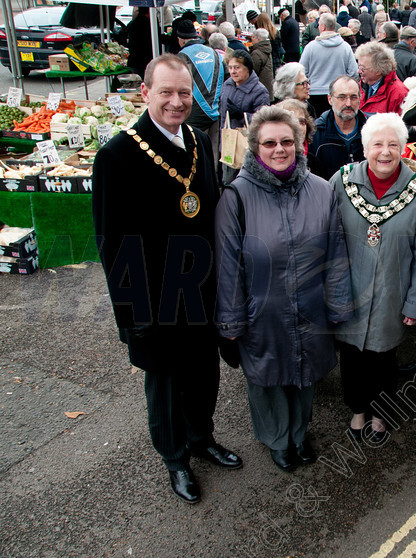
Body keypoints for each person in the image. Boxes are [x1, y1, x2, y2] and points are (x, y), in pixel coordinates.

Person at [92, 54, 242, 505]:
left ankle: (202, 438)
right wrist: (134, 314)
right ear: (145, 93)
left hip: (201, 288)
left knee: (204, 374)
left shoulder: (197, 138)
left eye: (184, 93)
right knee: (165, 383)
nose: (177, 102)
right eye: (167, 93)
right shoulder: (117, 154)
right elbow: (112, 243)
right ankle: (175, 459)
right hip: (156, 298)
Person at [215, 105, 352, 472]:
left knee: (305, 375)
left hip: (310, 307)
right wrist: (231, 322)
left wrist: (338, 307)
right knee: (269, 380)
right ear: (255, 147)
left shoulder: (322, 190)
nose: (280, 149)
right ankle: (278, 439)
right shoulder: (236, 196)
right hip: (264, 311)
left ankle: (299, 433)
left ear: (300, 144)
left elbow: (336, 252)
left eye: (287, 141)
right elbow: (228, 265)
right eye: (270, 142)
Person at [330, 113, 416, 444]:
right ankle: (358, 410)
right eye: (378, 144)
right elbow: (325, 237)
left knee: (384, 360)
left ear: (404, 148)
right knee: (351, 358)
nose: (385, 152)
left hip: (393, 293)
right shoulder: (341, 181)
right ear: (365, 147)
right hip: (349, 292)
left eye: (393, 144)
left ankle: (380, 416)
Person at [176, 20, 225, 163]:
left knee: (195, 153)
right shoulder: (215, 54)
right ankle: (214, 182)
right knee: (213, 151)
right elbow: (227, 77)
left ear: (181, 40)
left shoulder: (181, 56)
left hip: (194, 113)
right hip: (215, 110)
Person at [220, 50, 271, 185]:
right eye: (230, 68)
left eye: (237, 68)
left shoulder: (259, 90)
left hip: (247, 145)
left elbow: (264, 120)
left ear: (247, 68)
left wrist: (243, 115)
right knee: (228, 181)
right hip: (229, 142)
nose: (233, 71)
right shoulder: (227, 85)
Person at [310, 75, 367, 180]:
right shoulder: (315, 134)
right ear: (330, 99)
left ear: (360, 99)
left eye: (353, 97)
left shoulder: (371, 130)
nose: (348, 103)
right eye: (342, 97)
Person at [301, 13, 359, 115]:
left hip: (315, 93)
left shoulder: (310, 47)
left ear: (323, 27)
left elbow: (301, 72)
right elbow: (353, 72)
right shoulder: (345, 47)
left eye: (319, 25)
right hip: (339, 94)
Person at [357, 41, 409, 115]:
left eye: (362, 68)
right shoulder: (360, 86)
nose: (358, 71)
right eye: (358, 66)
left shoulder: (399, 94)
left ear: (378, 70)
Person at [126, 7, 153, 77]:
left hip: (135, 60)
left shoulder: (133, 22)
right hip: (143, 60)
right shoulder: (147, 24)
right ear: (149, 11)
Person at [250, 28, 275, 95]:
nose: (251, 38)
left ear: (258, 39)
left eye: (253, 37)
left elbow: (253, 71)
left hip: (260, 89)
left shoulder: (256, 53)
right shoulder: (266, 48)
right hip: (267, 87)